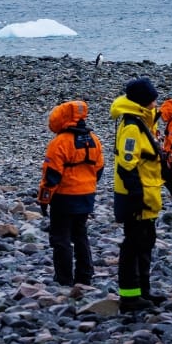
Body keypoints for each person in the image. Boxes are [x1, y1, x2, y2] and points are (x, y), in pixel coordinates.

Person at [37, 100, 105, 287]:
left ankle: (64, 278)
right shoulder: (94, 140)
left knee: (61, 238)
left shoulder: (59, 143)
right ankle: (85, 275)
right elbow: (98, 169)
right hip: (86, 196)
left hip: (64, 197)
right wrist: (88, 186)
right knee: (80, 234)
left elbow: (51, 176)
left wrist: (44, 200)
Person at [111, 77, 164, 312]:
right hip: (136, 195)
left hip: (147, 193)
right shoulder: (132, 126)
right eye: (153, 97)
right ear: (143, 100)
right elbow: (127, 164)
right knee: (133, 244)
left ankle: (144, 291)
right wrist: (136, 195)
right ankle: (130, 296)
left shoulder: (142, 121)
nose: (156, 101)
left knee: (146, 242)